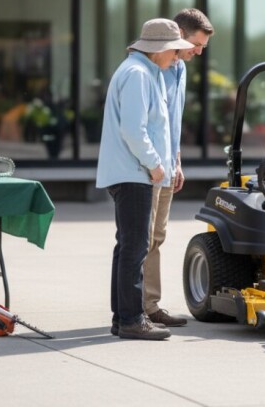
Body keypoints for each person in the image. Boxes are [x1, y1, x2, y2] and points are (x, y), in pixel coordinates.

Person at [96, 18, 194, 340]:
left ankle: (122, 317)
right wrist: (155, 164)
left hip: (129, 171)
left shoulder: (140, 71)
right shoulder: (139, 75)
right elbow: (134, 130)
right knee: (136, 247)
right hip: (134, 173)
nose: (177, 57)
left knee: (127, 247)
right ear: (159, 50)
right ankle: (132, 319)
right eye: (174, 51)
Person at [143, 9, 215, 327]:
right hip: (148, 167)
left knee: (157, 236)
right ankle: (136, 309)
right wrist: (155, 163)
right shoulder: (152, 67)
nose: (198, 52)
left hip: (168, 165)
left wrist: (177, 160)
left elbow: (173, 120)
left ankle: (149, 305)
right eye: (196, 44)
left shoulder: (180, 69)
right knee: (141, 238)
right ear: (180, 34)